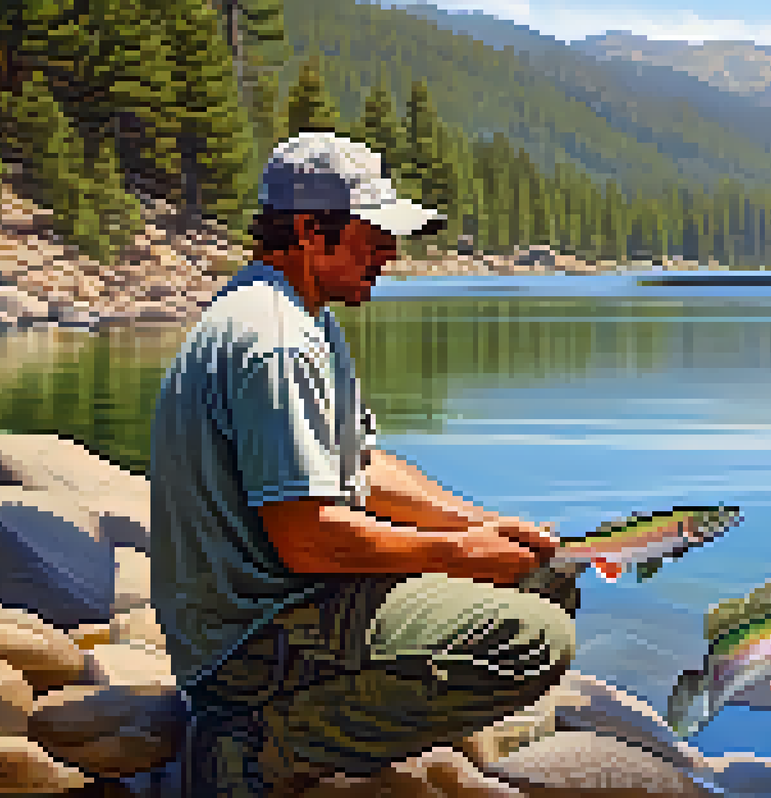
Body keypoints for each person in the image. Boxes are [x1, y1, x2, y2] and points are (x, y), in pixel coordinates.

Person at [148, 131, 579, 797]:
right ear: (307, 232)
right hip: (252, 636)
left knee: (540, 576)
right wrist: (461, 555)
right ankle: (257, 747)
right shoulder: (278, 343)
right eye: (370, 236)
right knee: (534, 638)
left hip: (277, 604)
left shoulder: (300, 315)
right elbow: (309, 539)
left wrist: (484, 524)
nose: (390, 252)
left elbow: (362, 466)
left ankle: (326, 722)